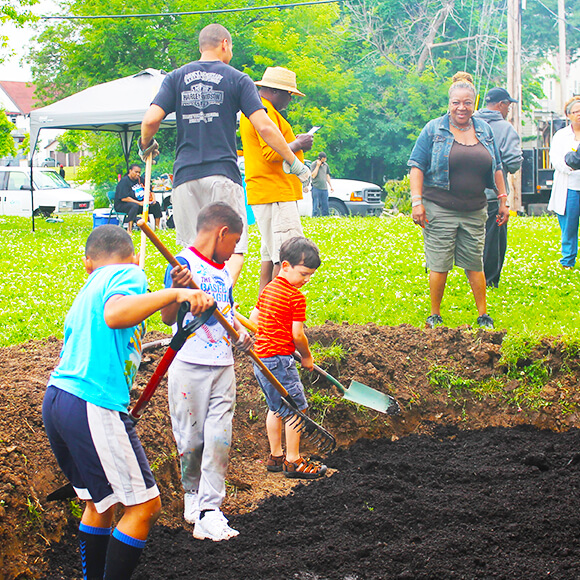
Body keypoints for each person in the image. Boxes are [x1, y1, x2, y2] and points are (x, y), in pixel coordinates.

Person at [42, 225, 214, 579]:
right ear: (135, 256)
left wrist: (174, 293)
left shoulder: (88, 287)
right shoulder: (128, 273)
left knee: (99, 504)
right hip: (93, 400)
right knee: (145, 507)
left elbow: (162, 315)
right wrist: (175, 289)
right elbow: (116, 315)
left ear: (86, 263)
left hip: (58, 399)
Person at [140, 23, 311, 284]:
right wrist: (295, 163)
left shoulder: (175, 77)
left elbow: (151, 120)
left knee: (190, 251)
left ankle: (195, 310)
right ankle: (219, 299)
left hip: (185, 177)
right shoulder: (237, 78)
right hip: (222, 174)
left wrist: (146, 144)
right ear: (224, 44)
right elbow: (264, 126)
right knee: (235, 249)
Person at [161, 202, 252, 542]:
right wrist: (176, 288)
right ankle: (192, 498)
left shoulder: (223, 274)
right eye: (235, 241)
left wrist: (240, 336)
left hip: (223, 365)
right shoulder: (182, 264)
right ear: (222, 233)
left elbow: (226, 315)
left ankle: (210, 509)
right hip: (189, 364)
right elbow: (168, 318)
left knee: (219, 438)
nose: (233, 251)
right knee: (191, 441)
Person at [408, 71, 509, 329]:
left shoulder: (484, 129)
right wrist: (416, 202)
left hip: (475, 208)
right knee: (440, 262)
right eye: (456, 102)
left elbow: (496, 166)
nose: (461, 108)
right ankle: (434, 314)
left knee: (475, 262)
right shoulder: (433, 129)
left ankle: (483, 315)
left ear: (474, 104)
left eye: (467, 103)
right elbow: (417, 166)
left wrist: (503, 198)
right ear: (449, 103)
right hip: (439, 207)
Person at [249, 236, 327, 479]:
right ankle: (293, 461)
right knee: (297, 409)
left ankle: (276, 456)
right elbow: (298, 334)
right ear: (285, 266)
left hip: (260, 359)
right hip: (280, 360)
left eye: (310, 276)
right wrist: (307, 356)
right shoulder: (295, 297)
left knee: (276, 407)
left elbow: (253, 321)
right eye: (303, 274)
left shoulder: (269, 289)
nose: (306, 280)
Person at [240, 66, 313, 292]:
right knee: (288, 257)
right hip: (275, 193)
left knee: (271, 256)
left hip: (269, 192)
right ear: (277, 91)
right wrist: (298, 144)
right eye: (289, 94)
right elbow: (272, 153)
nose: (289, 100)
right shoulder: (265, 113)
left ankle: (262, 314)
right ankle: (276, 314)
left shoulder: (261, 111)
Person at [473, 87, 523, 287]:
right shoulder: (505, 128)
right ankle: (490, 280)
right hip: (494, 194)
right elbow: (514, 160)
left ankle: (472, 277)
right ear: (501, 104)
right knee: (494, 238)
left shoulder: (470, 122)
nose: (508, 110)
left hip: (467, 193)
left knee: (471, 237)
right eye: (508, 106)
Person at [548, 95, 580, 269]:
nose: (579, 115)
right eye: (575, 112)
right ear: (568, 115)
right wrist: (571, 168)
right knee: (569, 227)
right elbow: (556, 159)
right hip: (569, 187)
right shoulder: (561, 135)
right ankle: (568, 261)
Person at [114, 163, 162, 233]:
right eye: (136, 172)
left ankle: (157, 228)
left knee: (156, 205)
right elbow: (124, 198)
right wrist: (139, 203)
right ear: (130, 171)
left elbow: (151, 190)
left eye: (139, 172)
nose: (138, 174)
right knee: (134, 206)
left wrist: (153, 200)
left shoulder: (140, 180)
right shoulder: (124, 181)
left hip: (140, 203)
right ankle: (129, 229)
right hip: (123, 205)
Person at [310, 152, 334, 217]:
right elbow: (313, 175)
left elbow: (327, 175)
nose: (325, 160)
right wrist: (318, 166)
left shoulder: (326, 165)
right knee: (316, 205)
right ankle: (315, 217)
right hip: (316, 188)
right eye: (324, 158)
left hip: (324, 188)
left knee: (325, 205)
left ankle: (325, 217)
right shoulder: (314, 164)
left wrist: (330, 186)